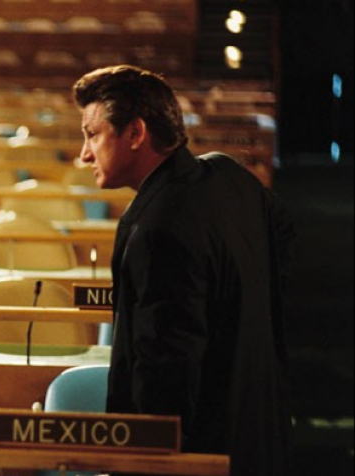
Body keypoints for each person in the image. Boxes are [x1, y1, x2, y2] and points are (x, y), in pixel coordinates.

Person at [72, 65, 296, 476]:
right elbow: (283, 238)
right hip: (261, 430)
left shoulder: (159, 227)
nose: (84, 154)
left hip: (202, 456)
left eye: (92, 134)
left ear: (136, 133)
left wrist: (142, 461)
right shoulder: (230, 176)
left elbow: (165, 375)